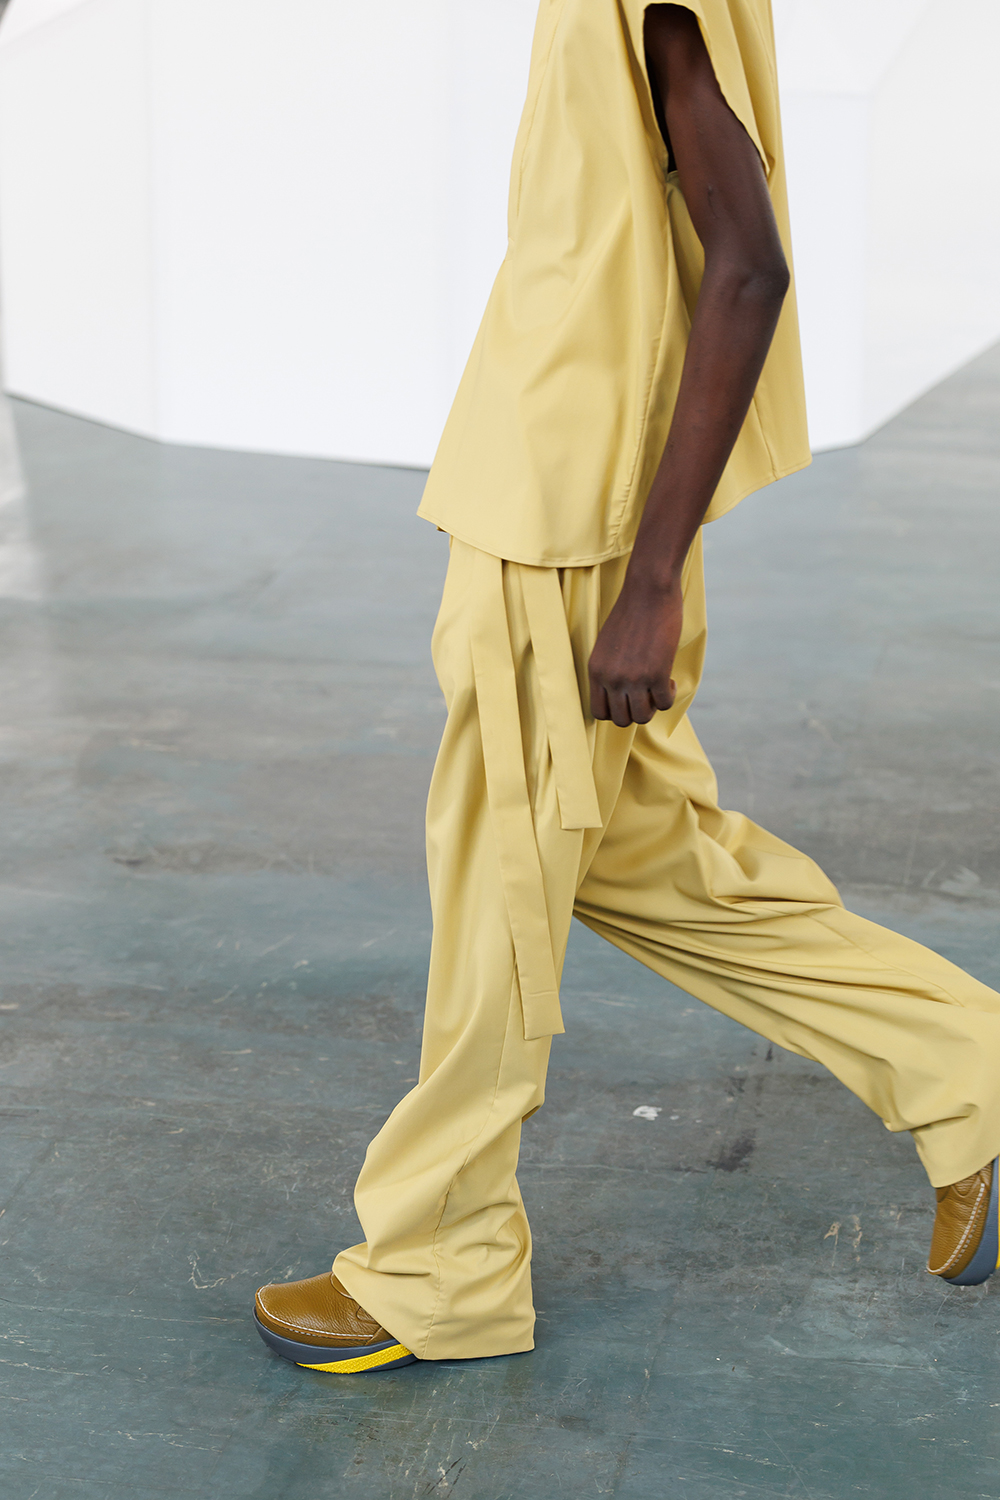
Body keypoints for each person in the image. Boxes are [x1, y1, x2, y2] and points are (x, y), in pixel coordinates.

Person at [253, 0, 1000, 1376]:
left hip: (571, 534)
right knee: (651, 863)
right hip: (555, 499)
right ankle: (973, 1069)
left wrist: (649, 578)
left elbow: (749, 267)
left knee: (499, 898)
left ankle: (441, 1266)